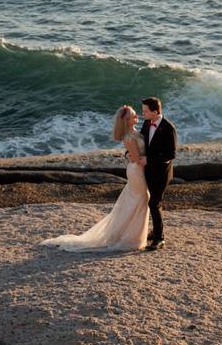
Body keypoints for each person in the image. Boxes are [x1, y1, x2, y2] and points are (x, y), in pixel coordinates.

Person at [40, 105, 150, 251]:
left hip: (140, 170)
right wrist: (152, 159)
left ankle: (131, 234)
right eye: (133, 115)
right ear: (127, 120)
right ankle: (132, 238)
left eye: (136, 114)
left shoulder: (136, 132)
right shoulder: (128, 137)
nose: (137, 116)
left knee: (137, 201)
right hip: (137, 171)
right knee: (141, 199)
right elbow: (136, 158)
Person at [139, 96, 177, 251]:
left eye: (145, 111)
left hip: (162, 172)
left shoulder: (168, 128)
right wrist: (130, 153)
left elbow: (171, 154)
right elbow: (141, 142)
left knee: (154, 203)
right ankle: (155, 231)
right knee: (150, 202)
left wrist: (149, 160)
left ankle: (159, 238)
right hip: (147, 171)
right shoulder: (148, 123)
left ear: (155, 111)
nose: (143, 114)